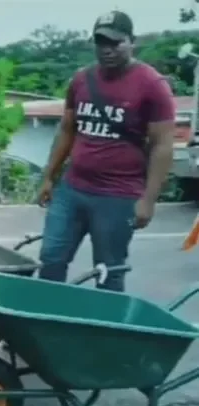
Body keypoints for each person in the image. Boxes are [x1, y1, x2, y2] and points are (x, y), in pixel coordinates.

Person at [36, 11, 175, 291]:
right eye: (101, 43)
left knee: (109, 269)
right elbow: (67, 130)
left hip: (118, 195)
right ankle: (46, 325)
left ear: (132, 42)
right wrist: (49, 176)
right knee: (50, 259)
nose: (107, 49)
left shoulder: (152, 85)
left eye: (116, 42)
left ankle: (107, 332)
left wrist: (148, 200)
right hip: (73, 190)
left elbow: (162, 146)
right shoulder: (81, 80)